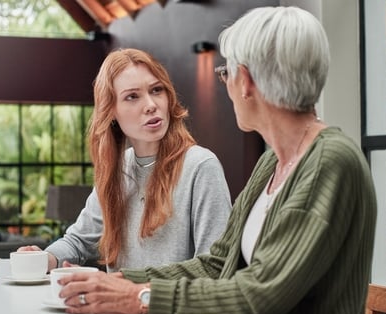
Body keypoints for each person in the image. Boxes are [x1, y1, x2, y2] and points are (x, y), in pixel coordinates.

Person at [56, 6, 377, 314]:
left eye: (226, 73)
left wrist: (139, 297)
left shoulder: (330, 162)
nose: (225, 83)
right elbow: (218, 262)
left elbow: (261, 293)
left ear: (247, 82)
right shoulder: (274, 162)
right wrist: (122, 283)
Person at [19, 48, 232, 272]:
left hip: (167, 306)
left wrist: (134, 292)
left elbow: (214, 268)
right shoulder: (119, 169)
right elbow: (79, 241)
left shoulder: (200, 166)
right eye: (132, 96)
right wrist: (46, 257)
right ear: (111, 111)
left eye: (156, 90)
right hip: (113, 308)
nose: (151, 105)